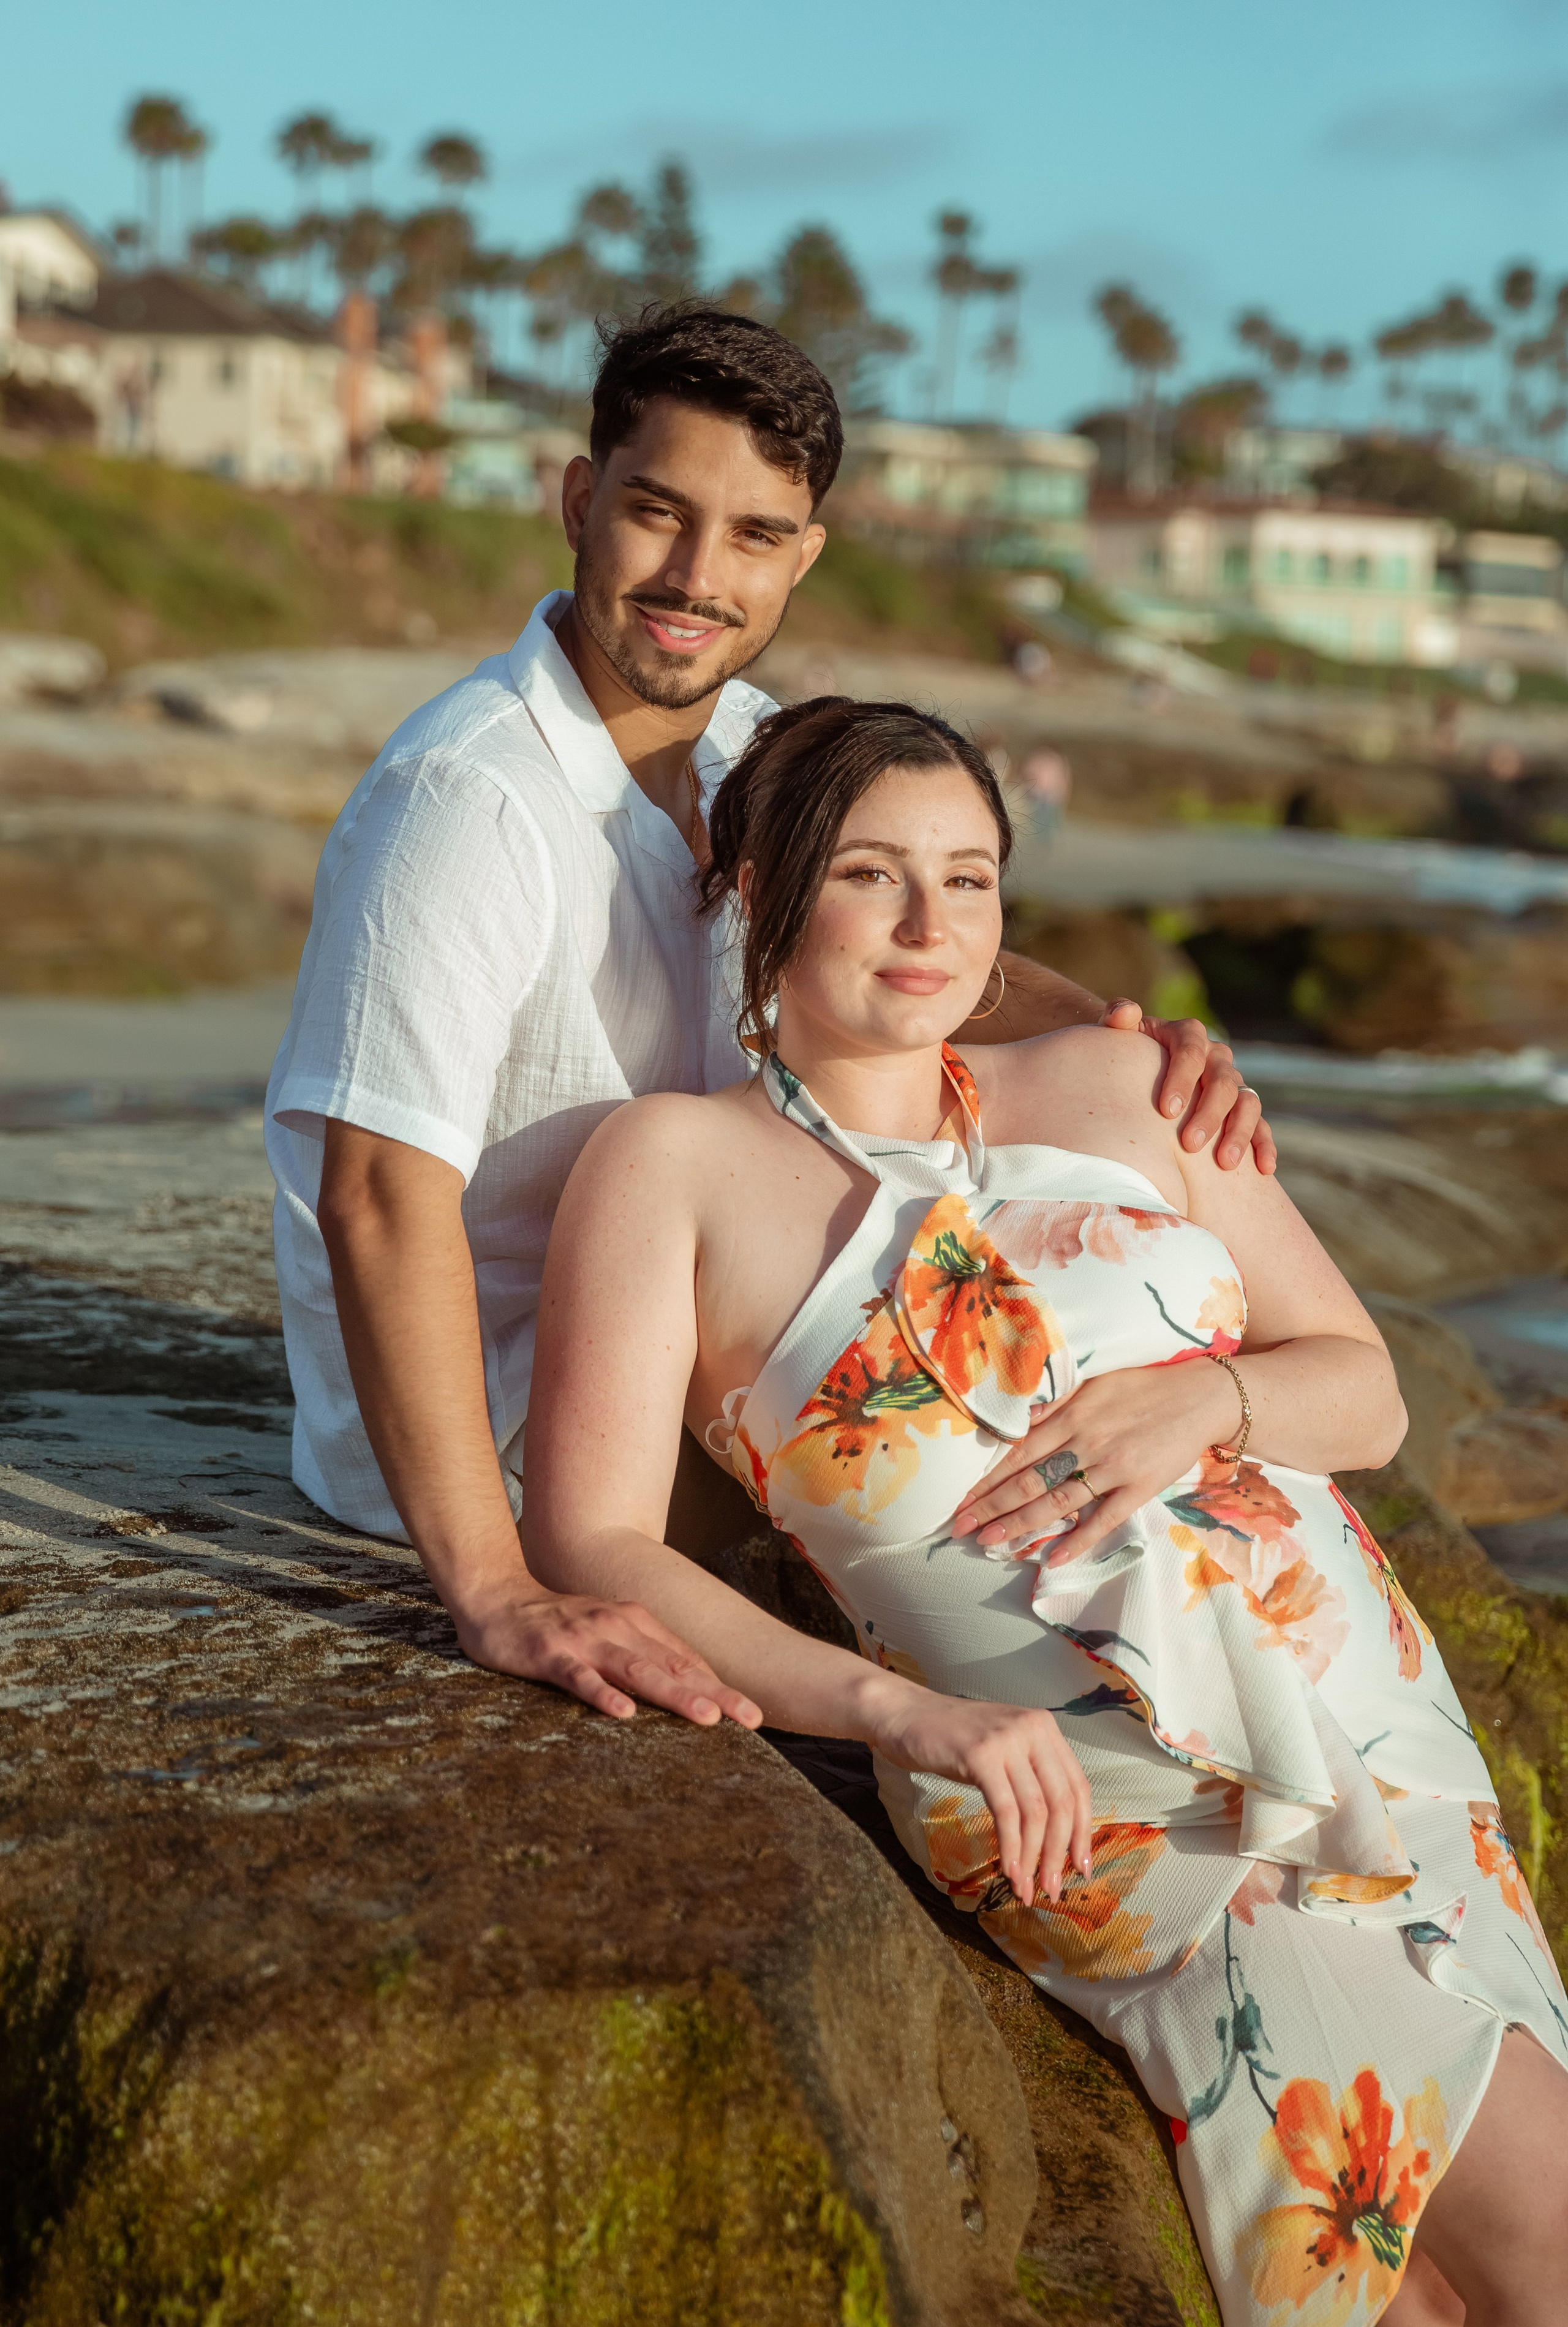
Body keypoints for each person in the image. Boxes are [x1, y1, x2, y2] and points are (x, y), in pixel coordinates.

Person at [521, 696, 1568, 2327]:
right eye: (874, 876)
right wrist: (894, 1710)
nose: (935, 928)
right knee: (1496, 2264)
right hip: (1112, 1806)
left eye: (973, 879)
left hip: (1364, 1720)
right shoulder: (670, 1171)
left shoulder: (1126, 1083)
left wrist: (1202, 1404)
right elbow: (593, 1539)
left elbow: (1363, 1392)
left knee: (1463, 2293)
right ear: (754, 898)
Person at [265, 303, 1274, 1727]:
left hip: (695, 1324)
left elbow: (913, 958)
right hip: (497, 1420)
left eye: (751, 536)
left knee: (1100, 1363)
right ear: (577, 499)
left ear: (802, 555)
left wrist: (1141, 1044)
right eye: (656, 513)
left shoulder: (750, 748)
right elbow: (375, 1193)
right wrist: (493, 1592)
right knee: (992, 1471)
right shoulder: (469, 803)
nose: (694, 577)